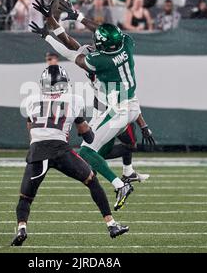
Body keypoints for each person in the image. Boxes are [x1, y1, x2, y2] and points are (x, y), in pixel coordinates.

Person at [31, 0, 148, 210]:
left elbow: (68, 51)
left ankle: (121, 183)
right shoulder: (126, 42)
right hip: (128, 105)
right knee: (99, 154)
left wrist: (46, 34)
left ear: (102, 49)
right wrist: (74, 17)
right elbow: (79, 37)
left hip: (116, 110)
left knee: (86, 152)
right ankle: (127, 172)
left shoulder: (98, 62)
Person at [11, 65, 129, 246]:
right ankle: (111, 225)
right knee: (91, 180)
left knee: (26, 197)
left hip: (37, 150)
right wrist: (88, 127)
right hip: (60, 150)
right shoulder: (74, 100)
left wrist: (37, 143)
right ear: (64, 83)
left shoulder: (31, 100)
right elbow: (87, 136)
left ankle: (21, 229)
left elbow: (30, 126)